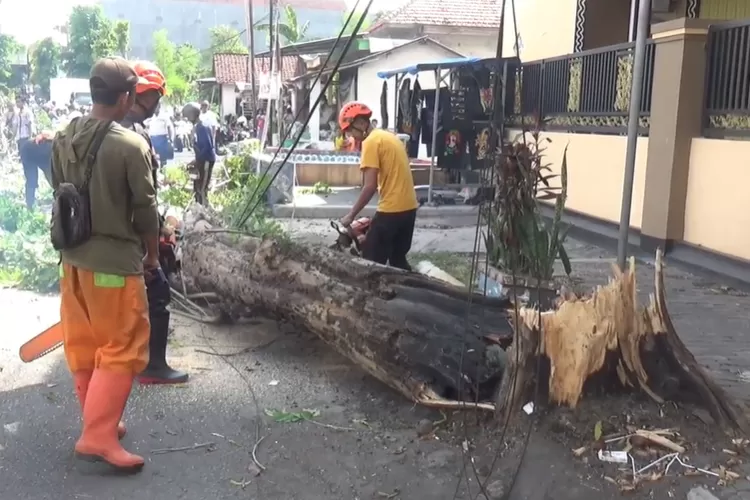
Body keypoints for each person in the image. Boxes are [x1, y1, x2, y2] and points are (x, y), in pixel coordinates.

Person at [51, 57, 159, 472]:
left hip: (72, 261)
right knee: (122, 346)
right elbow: (146, 211)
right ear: (128, 98)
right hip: (114, 265)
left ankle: (99, 420)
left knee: (84, 343)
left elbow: (58, 190)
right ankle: (97, 434)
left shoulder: (63, 136)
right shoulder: (130, 146)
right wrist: (151, 254)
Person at [120, 60, 189, 385]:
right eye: (155, 97)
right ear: (141, 94)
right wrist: (154, 241)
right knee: (158, 293)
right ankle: (152, 366)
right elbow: (143, 199)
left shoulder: (108, 127)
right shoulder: (133, 135)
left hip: (111, 234)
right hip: (132, 234)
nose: (157, 105)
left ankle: (129, 359)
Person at [338, 102, 418, 271]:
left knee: (370, 264)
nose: (352, 137)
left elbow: (369, 186)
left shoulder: (371, 142)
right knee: (398, 260)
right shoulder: (389, 136)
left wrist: (350, 216)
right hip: (410, 208)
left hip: (392, 210)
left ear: (360, 123)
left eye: (350, 131)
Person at [183, 102, 216, 205]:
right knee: (197, 187)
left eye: (188, 117)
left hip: (206, 160)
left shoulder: (203, 127)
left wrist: (198, 160)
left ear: (193, 115)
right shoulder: (198, 126)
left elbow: (208, 147)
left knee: (202, 189)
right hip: (202, 160)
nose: (188, 119)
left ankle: (204, 211)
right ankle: (199, 208)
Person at [10, 97, 39, 209]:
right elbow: (15, 126)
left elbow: (31, 124)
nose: (17, 103)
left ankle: (33, 185)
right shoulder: (17, 114)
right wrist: (12, 138)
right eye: (16, 101)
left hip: (27, 138)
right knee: (25, 161)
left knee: (29, 162)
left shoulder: (28, 112)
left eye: (19, 101)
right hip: (20, 139)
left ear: (23, 102)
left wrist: (31, 138)